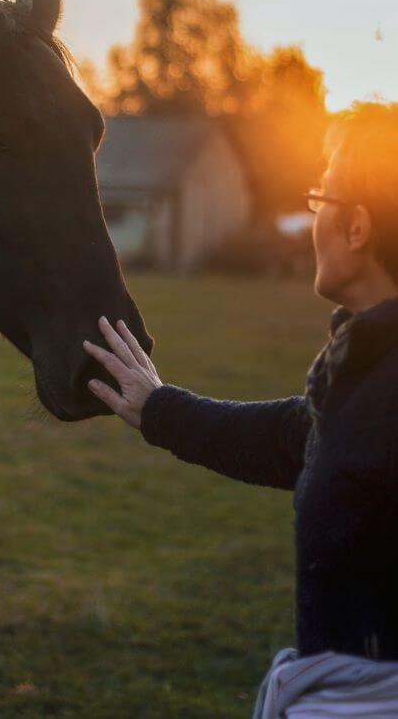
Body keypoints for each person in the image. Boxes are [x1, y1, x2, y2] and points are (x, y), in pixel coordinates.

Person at [83, 102, 398, 717]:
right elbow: (292, 438)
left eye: (320, 200)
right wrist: (158, 407)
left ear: (357, 229)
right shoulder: (365, 374)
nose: (313, 222)